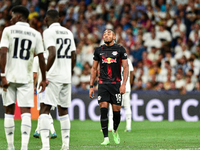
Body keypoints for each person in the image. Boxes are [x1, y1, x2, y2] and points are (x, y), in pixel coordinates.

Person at [0, 6, 46, 150]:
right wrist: (43, 78)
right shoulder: (36, 34)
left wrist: (2, 75)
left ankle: (11, 146)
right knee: (26, 111)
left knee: (9, 111)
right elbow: (41, 57)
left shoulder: (8, 30)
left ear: (19, 17)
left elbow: (2, 53)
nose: (11, 18)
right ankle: (24, 147)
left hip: (9, 76)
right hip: (26, 78)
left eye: (13, 16)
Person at [39, 9, 76, 150]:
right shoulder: (68, 32)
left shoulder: (48, 32)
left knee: (44, 109)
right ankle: (65, 146)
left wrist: (45, 73)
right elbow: (74, 55)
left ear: (46, 19)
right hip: (66, 76)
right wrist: (69, 72)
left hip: (53, 76)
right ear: (59, 19)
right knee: (63, 110)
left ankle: (45, 146)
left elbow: (52, 53)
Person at [89, 29, 129, 145]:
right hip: (102, 84)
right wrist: (91, 86)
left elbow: (126, 68)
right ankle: (106, 138)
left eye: (109, 33)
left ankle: (115, 130)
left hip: (116, 84)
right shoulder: (98, 50)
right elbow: (94, 69)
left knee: (117, 113)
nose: (106, 35)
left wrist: (123, 84)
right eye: (105, 34)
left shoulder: (120, 49)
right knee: (103, 110)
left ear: (114, 36)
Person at [32, 52, 57, 139]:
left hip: (42, 86)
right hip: (53, 86)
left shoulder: (36, 59)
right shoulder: (53, 56)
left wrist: (33, 86)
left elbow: (34, 75)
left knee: (44, 110)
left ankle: (53, 131)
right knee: (44, 109)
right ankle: (37, 131)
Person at [108, 57, 134, 132]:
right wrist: (129, 83)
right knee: (127, 107)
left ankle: (110, 126)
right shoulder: (128, 60)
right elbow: (132, 72)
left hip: (116, 87)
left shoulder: (114, 60)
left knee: (112, 107)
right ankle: (128, 127)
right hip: (126, 87)